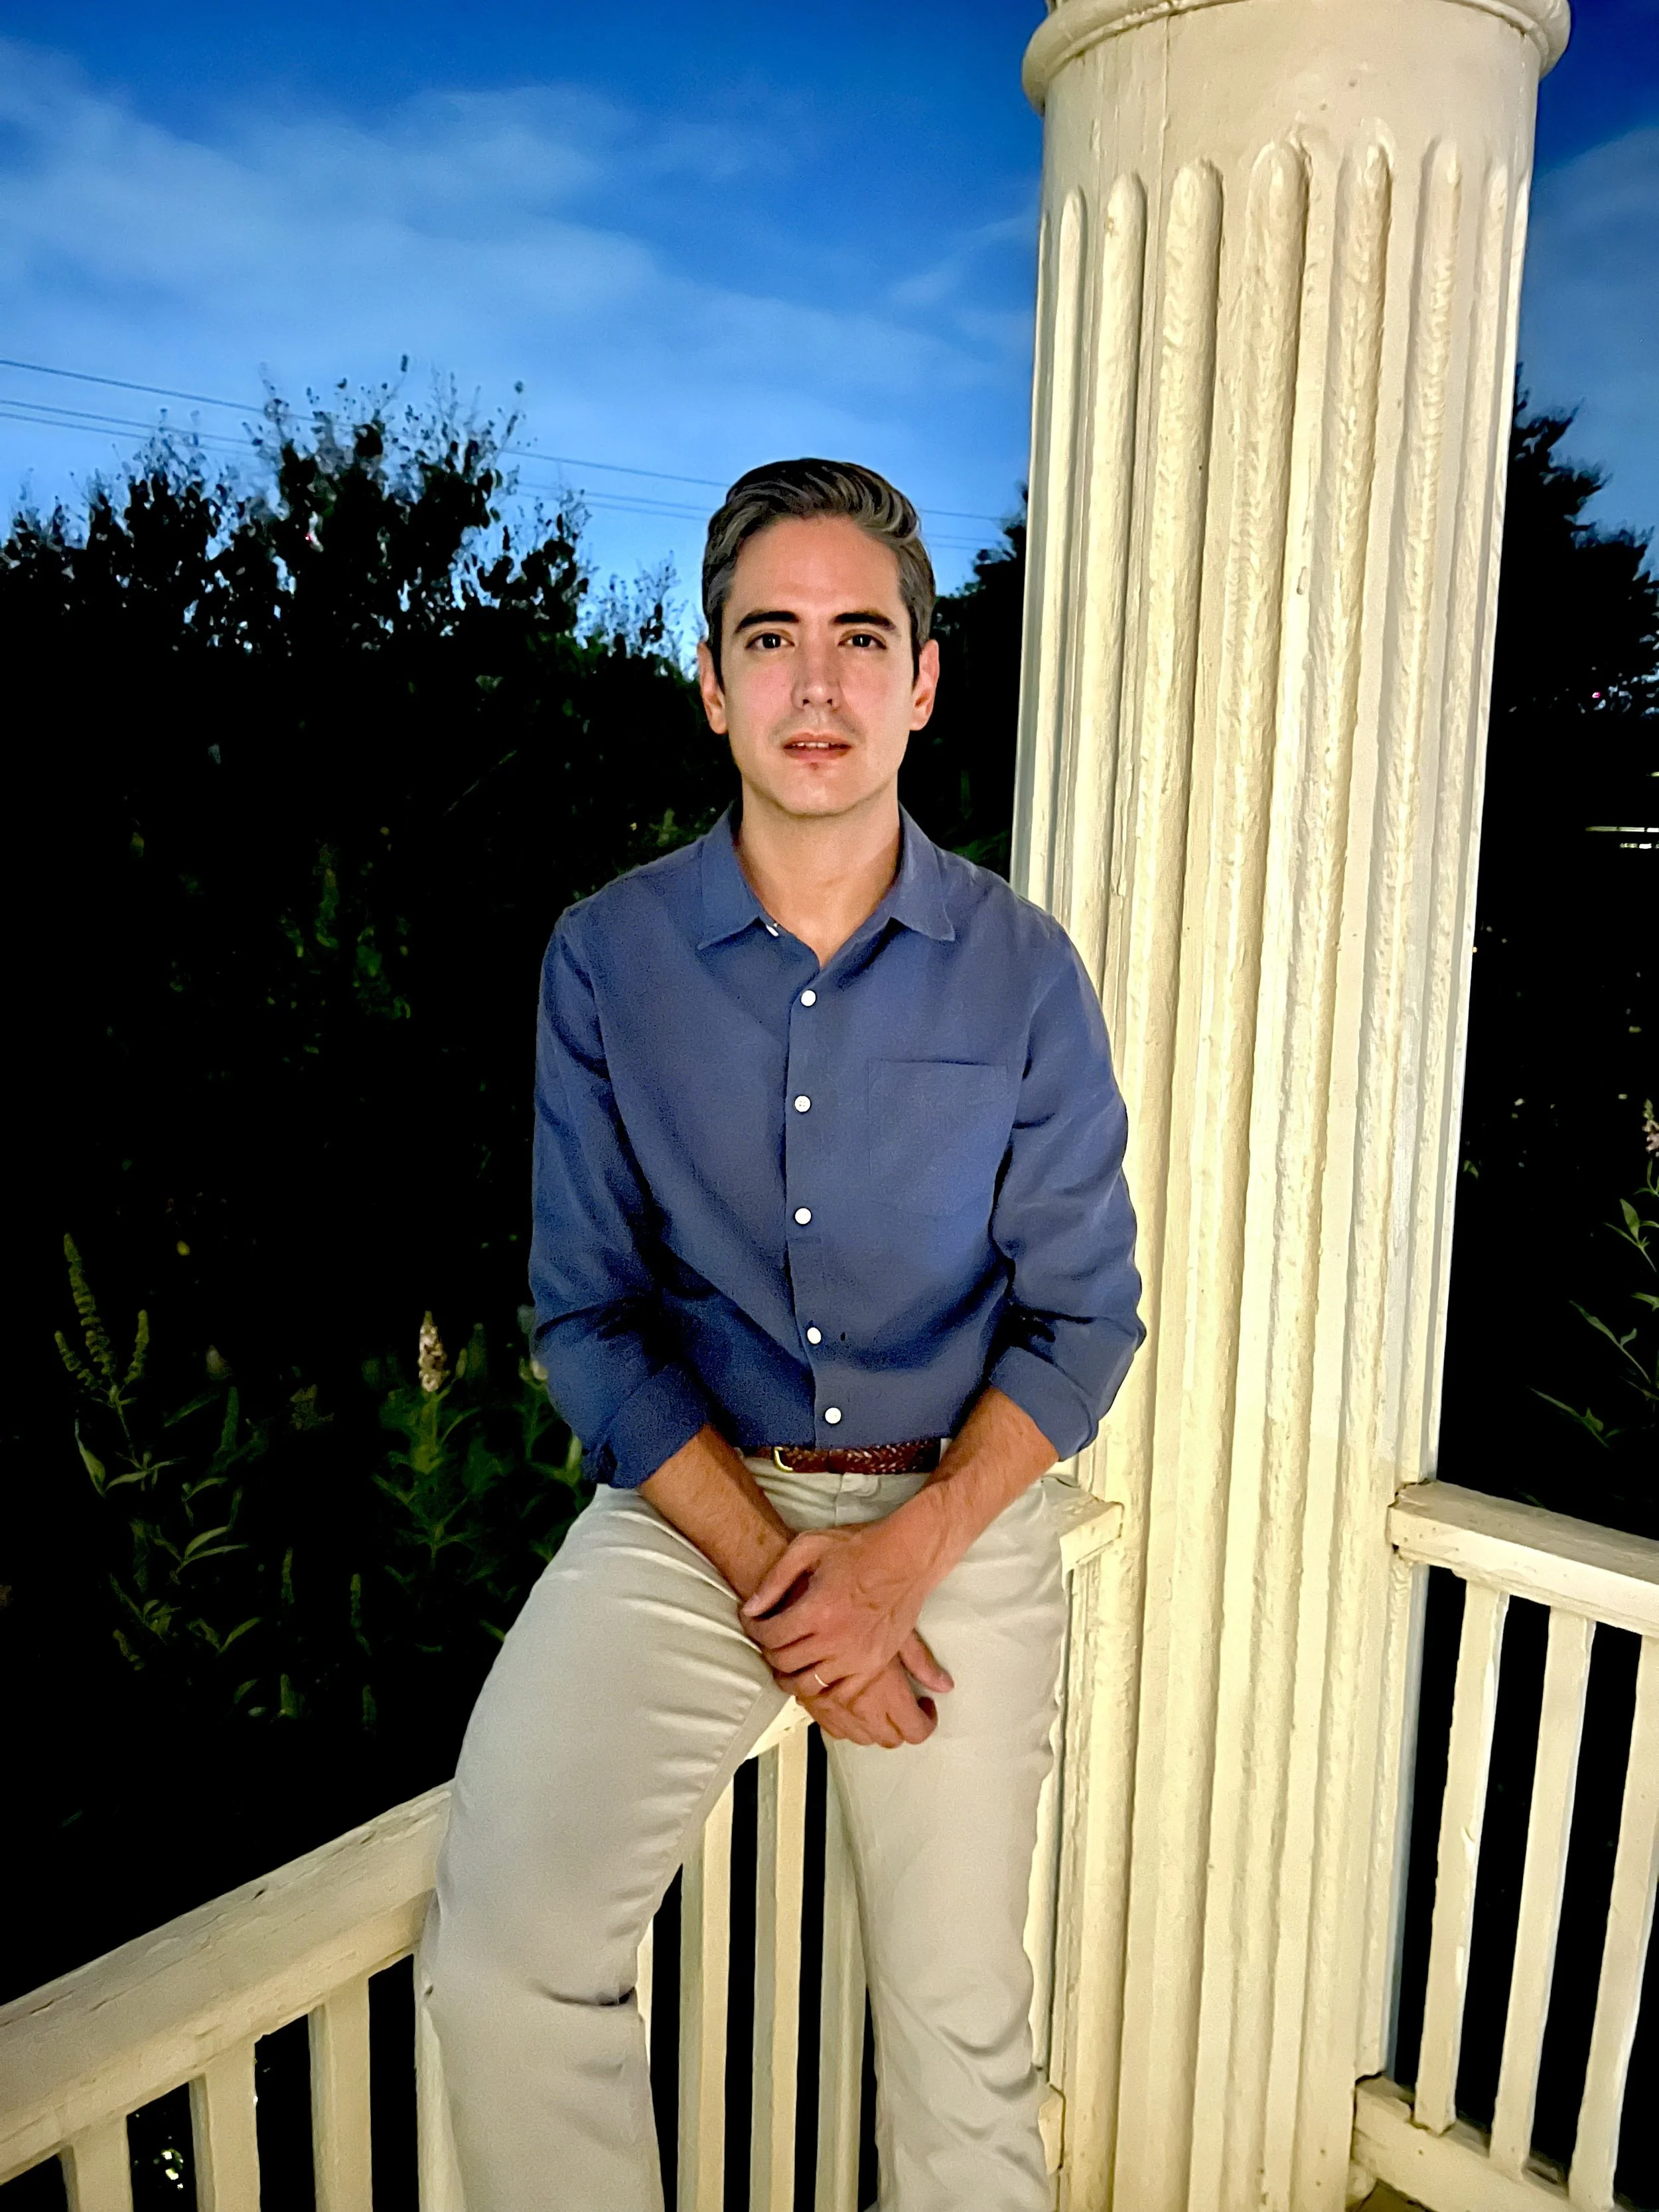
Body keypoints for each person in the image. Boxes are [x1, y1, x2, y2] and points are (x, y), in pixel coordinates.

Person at [420, 459, 1144, 2211]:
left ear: (924, 679)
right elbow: (588, 1317)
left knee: (960, 2028)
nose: (816, 684)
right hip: (694, 1509)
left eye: (859, 637)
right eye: (770, 637)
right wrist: (782, 1580)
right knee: (506, 1955)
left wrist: (902, 1561)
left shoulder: (1023, 972)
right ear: (711, 680)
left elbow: (1083, 1317)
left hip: (953, 1512)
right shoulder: (607, 960)